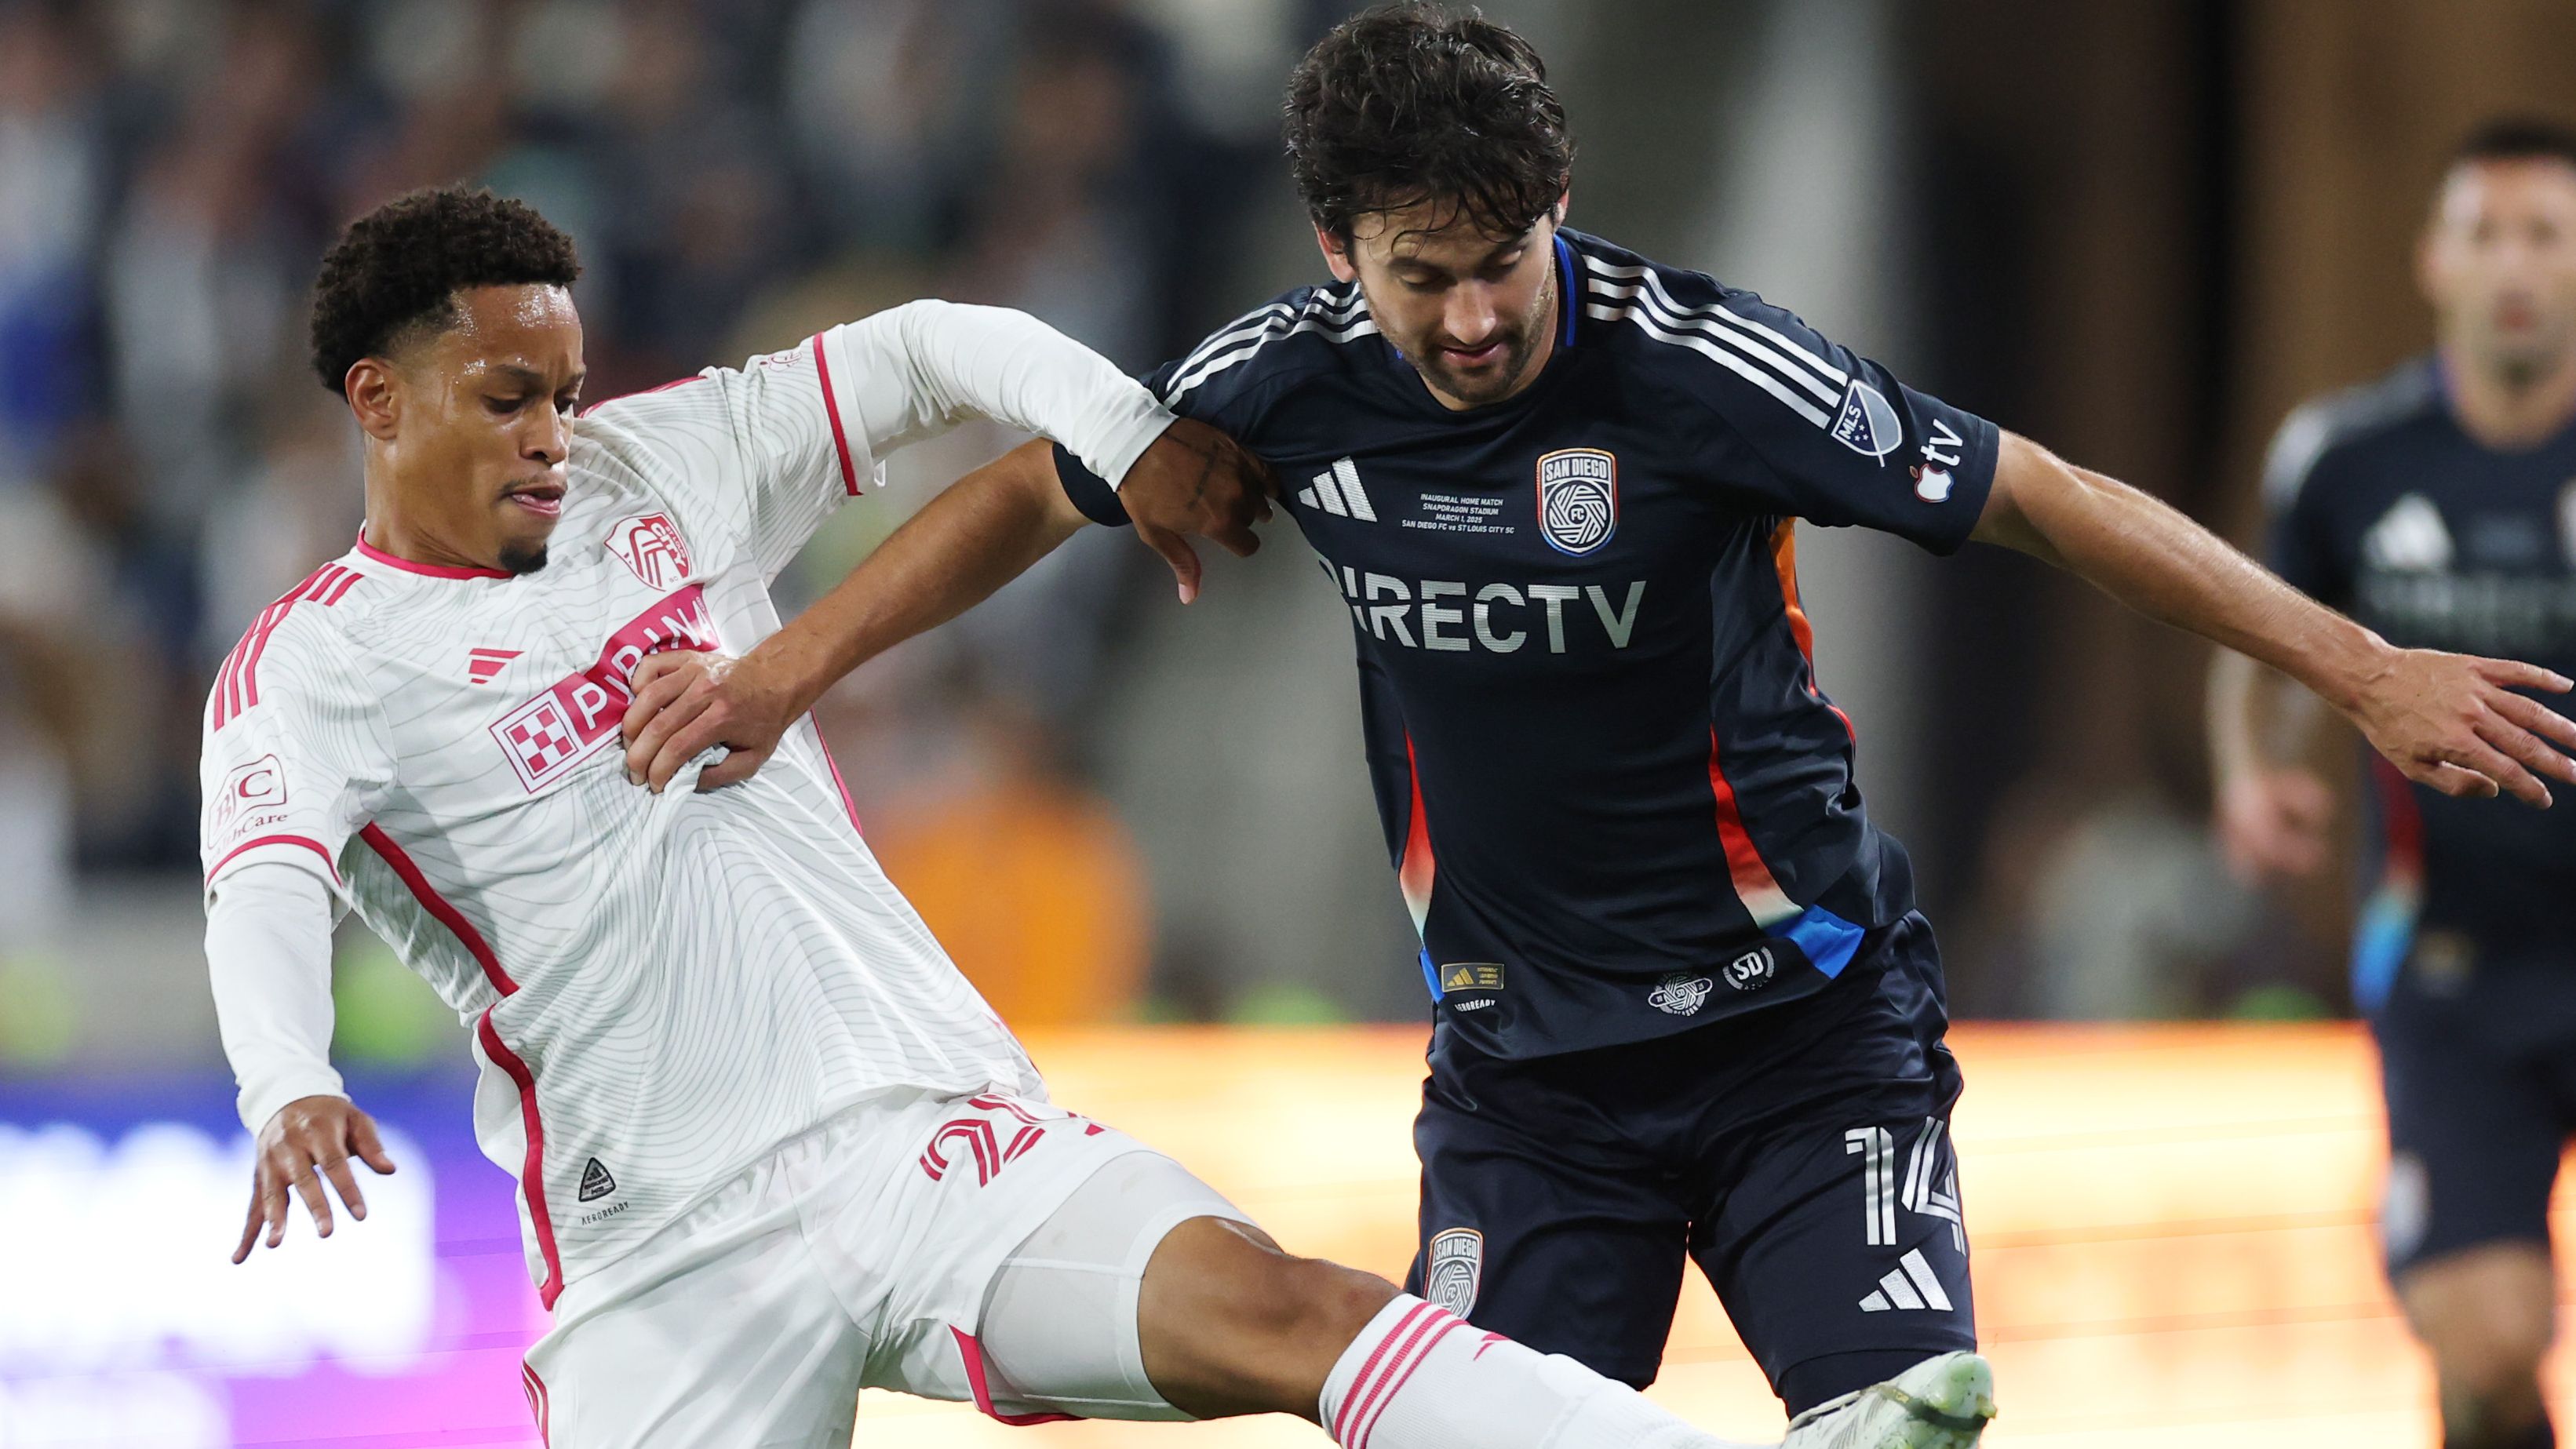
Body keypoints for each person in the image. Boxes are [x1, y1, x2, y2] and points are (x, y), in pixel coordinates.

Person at [616, 5, 2576, 1436]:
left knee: (1902, 1424)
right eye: (1423, 281)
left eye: (1504, 265)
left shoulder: (1702, 370)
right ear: (1337, 256)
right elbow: (1026, 495)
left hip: (1803, 1042)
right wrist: (785, 672)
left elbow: (2043, 497)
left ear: (1557, 204)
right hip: (1527, 1096)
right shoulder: (1281, 382)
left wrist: (2361, 670)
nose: (1474, 320)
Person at [201, 184, 1989, 1449]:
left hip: (925, 1135)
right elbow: (261, 882)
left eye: (565, 392)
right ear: (378, 399)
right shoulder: (312, 669)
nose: (554, 434)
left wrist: (1127, 434)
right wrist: (286, 1079)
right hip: (663, 1246)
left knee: (1284, 1313)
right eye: (509, 400)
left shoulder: (653, 468)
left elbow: (931, 346)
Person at [2209, 118, 2576, 1449]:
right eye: (2485, 233)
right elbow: (2261, 638)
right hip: (2451, 967)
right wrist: (2252, 773)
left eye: (2546, 234)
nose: (2514, 265)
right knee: (2485, 1350)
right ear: (2434, 258)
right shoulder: (2347, 458)